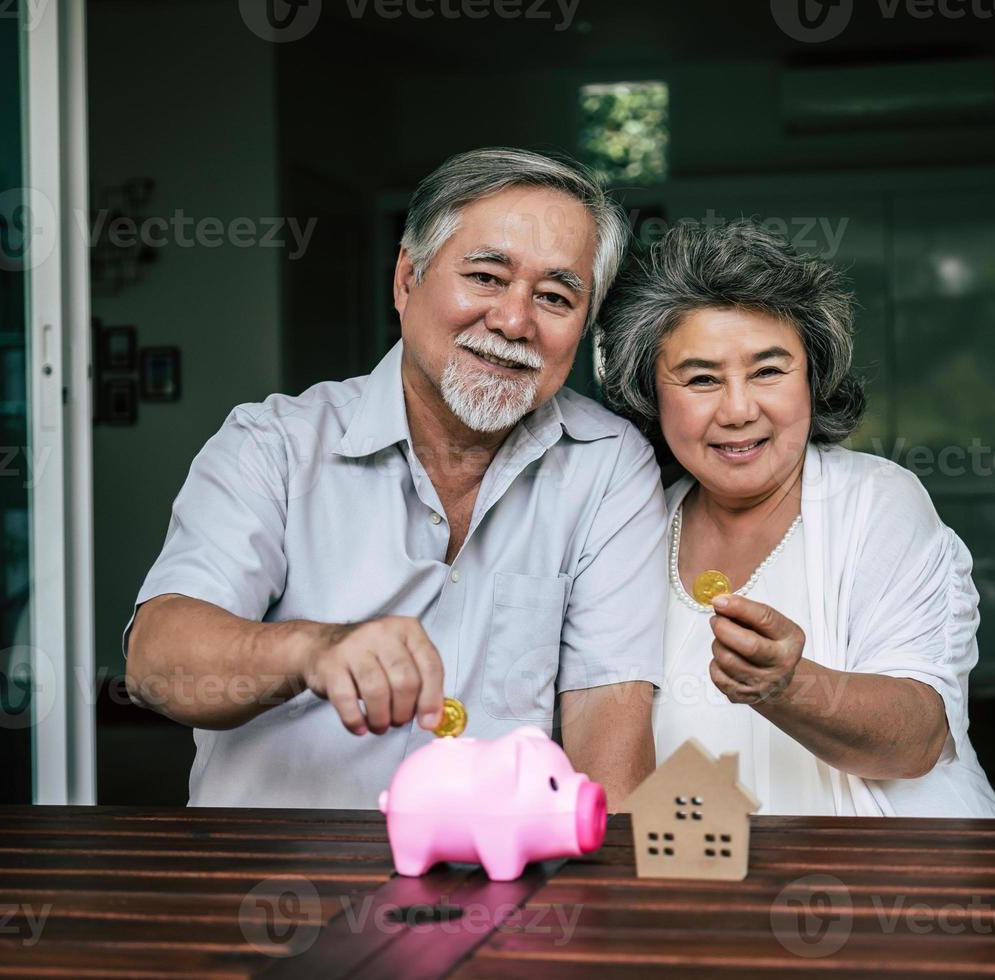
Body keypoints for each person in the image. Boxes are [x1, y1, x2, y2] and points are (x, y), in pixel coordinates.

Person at [124, 148, 666, 809]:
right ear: (408, 279)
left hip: (505, 885)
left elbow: (609, 721)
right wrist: (313, 648)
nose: (514, 321)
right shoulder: (271, 444)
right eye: (487, 277)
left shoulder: (607, 464)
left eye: (554, 296)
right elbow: (157, 664)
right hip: (273, 889)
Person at [599, 219, 995, 817]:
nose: (738, 410)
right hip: (700, 888)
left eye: (768, 371)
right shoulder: (629, 532)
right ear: (650, 396)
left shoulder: (879, 502)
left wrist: (791, 687)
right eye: (701, 379)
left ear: (813, 378)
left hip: (890, 889)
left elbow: (920, 738)